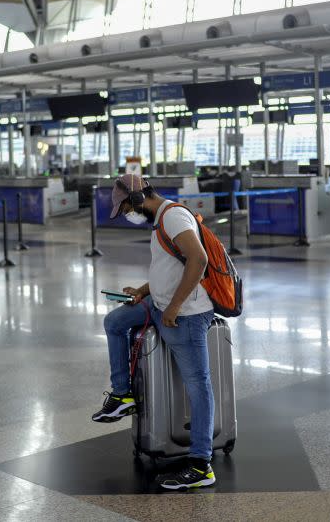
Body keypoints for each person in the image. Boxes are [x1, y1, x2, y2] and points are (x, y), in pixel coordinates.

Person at [93, 174, 216, 491]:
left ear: (137, 199)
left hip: (186, 315)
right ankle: (123, 394)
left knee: (198, 384)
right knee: (114, 322)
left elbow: (198, 259)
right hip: (160, 304)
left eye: (126, 209)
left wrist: (175, 306)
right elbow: (170, 265)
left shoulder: (173, 216)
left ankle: (201, 465)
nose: (127, 215)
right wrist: (144, 290)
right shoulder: (161, 219)